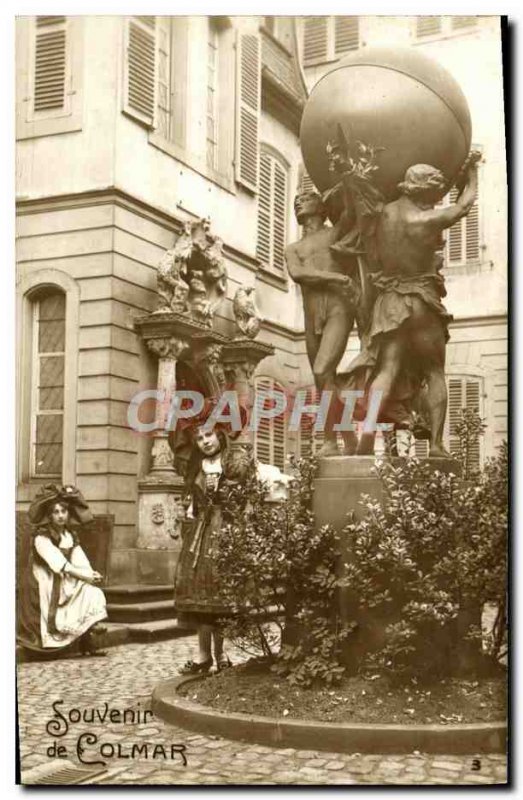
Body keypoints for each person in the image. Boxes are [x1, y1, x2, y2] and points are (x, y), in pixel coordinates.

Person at [338, 151, 481, 456]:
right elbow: (464, 205)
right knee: (434, 372)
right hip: (421, 300)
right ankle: (437, 445)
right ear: (423, 192)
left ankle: (367, 434)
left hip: (390, 303)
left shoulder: (383, 213)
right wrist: (472, 174)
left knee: (386, 370)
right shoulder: (426, 219)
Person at [169, 401, 291, 673]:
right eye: (199, 438)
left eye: (209, 435)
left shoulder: (235, 462)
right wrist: (190, 514)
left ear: (220, 434)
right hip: (201, 536)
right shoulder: (197, 467)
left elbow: (256, 487)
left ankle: (221, 655)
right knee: (201, 594)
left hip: (228, 531)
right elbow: (195, 504)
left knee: (220, 594)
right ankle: (203, 656)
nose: (204, 441)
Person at [285, 190, 361, 457]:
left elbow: (354, 210)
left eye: (307, 198)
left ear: (322, 207)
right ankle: (347, 436)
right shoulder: (292, 248)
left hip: (339, 309)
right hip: (312, 314)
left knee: (321, 371)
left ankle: (330, 441)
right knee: (322, 381)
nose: (299, 202)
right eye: (297, 201)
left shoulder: (336, 232)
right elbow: (298, 273)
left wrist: (348, 179)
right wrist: (336, 278)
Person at [17, 484, 108, 656]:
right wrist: (83, 575)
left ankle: (87, 634)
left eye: (63, 512)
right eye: (56, 512)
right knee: (58, 591)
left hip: (65, 575)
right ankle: (56, 635)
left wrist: (90, 574)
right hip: (44, 578)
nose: (60, 516)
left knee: (92, 592)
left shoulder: (69, 536)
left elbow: (79, 560)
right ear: (49, 516)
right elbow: (59, 563)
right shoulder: (42, 537)